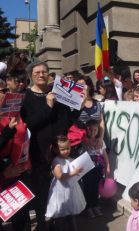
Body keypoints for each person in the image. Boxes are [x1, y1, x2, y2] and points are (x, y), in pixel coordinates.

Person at [20, 61, 82, 230]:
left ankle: (59, 222)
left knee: (60, 190)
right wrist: (48, 107)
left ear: (49, 74)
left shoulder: (57, 93)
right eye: (37, 72)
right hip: (38, 154)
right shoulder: (26, 97)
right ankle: (42, 224)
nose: (41, 75)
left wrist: (78, 108)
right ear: (31, 76)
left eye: (44, 72)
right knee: (41, 191)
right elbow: (28, 124)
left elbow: (67, 121)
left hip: (58, 153)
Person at [45, 135, 86, 231]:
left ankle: (72, 227)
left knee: (70, 210)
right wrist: (73, 173)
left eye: (68, 148)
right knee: (60, 212)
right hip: (60, 189)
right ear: (55, 149)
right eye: (62, 149)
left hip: (70, 189)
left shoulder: (70, 159)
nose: (66, 151)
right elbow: (59, 175)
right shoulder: (56, 161)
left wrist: (79, 171)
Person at [82, 119, 110, 218]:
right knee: (88, 188)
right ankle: (88, 207)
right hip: (87, 169)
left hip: (98, 169)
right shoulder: (83, 141)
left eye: (95, 130)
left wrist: (108, 168)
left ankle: (95, 205)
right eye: (90, 130)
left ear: (98, 130)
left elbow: (105, 156)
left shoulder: (100, 142)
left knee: (96, 188)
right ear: (86, 130)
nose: (93, 132)